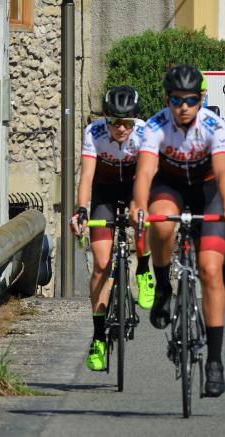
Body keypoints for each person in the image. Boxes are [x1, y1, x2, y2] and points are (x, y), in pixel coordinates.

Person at [131, 64, 225, 397]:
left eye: (191, 100)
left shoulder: (214, 126)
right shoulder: (155, 127)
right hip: (170, 187)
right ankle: (164, 284)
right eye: (176, 100)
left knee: (211, 271)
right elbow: (145, 172)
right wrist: (139, 205)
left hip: (208, 191)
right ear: (167, 100)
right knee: (161, 220)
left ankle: (214, 361)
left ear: (201, 99)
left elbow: (224, 174)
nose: (183, 107)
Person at [70, 86, 155, 372]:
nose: (121, 128)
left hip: (134, 185)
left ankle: (143, 269)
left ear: (135, 121)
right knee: (101, 265)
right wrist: (81, 210)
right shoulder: (94, 133)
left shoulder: (145, 133)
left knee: (142, 218)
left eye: (127, 122)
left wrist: (140, 205)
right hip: (104, 190)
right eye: (115, 122)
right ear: (106, 120)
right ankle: (98, 338)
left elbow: (146, 174)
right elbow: (87, 176)